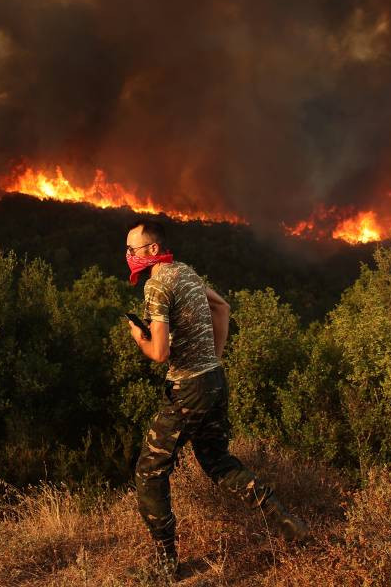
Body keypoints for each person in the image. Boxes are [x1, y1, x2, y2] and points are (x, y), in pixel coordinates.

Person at [124, 218, 309, 580]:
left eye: (133, 248)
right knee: (218, 461)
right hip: (213, 380)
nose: (128, 255)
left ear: (153, 251)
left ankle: (165, 565)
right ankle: (288, 523)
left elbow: (160, 352)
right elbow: (222, 308)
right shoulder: (185, 272)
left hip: (188, 389)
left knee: (149, 472)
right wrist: (214, 359)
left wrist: (138, 338)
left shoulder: (156, 284)